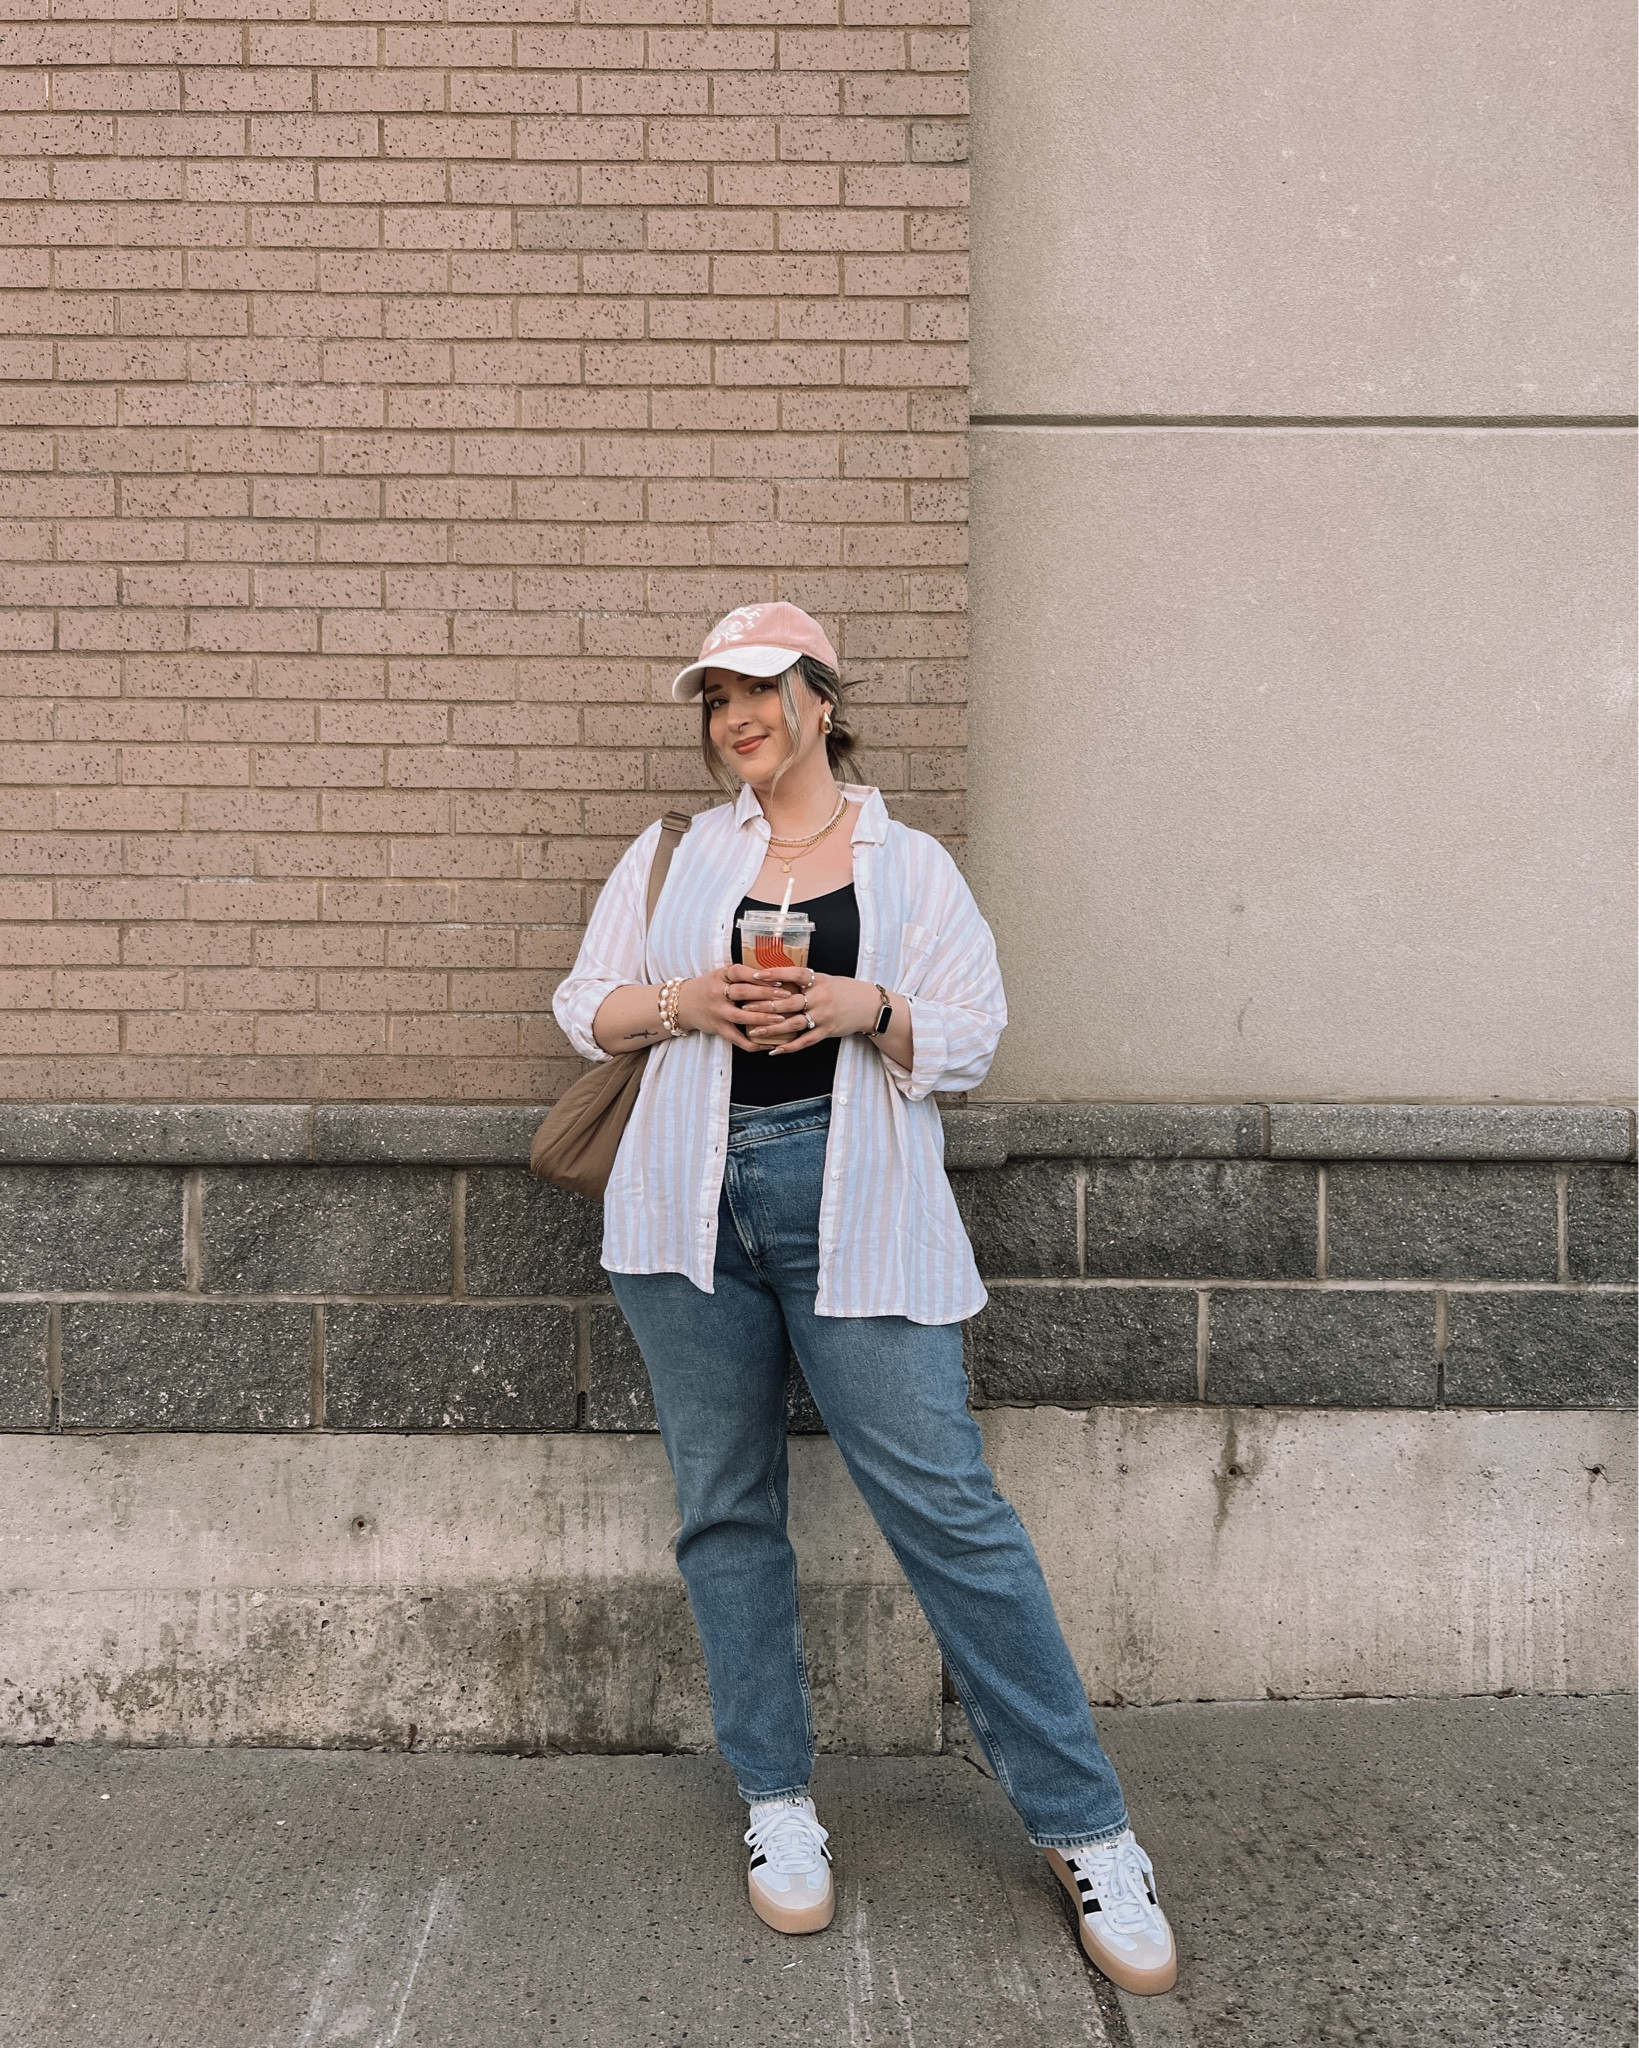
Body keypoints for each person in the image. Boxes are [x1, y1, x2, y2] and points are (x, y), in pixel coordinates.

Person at [551, 601, 1177, 1995]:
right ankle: (777, 1805)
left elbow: (972, 1035)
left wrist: (863, 1010)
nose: (736, 720)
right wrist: (680, 1005)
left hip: (856, 1205)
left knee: (951, 1513)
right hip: (686, 1208)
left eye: (762, 691)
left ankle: (1090, 1829)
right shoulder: (676, 855)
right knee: (726, 1511)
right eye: (717, 700)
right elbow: (583, 1006)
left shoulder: (913, 865)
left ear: (821, 700)